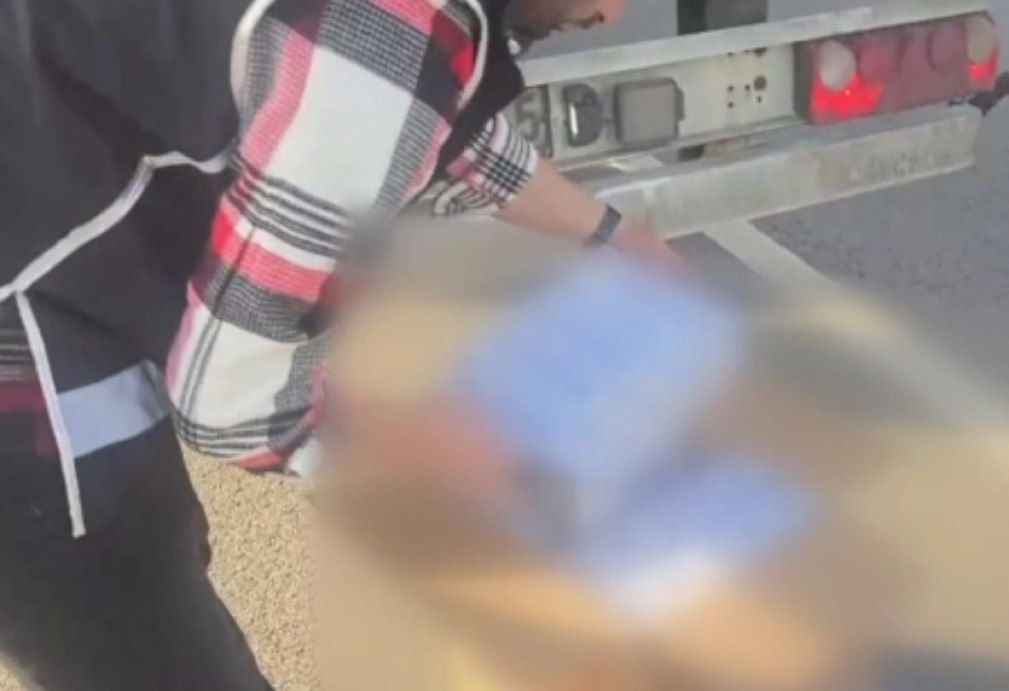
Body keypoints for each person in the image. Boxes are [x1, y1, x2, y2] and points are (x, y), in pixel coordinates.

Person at [0, 0, 672, 688]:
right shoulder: (384, 37)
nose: (612, 15)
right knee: (132, 619)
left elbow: (425, 116)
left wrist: (616, 235)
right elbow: (231, 401)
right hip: (19, 335)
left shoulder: (400, 39)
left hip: (46, 209)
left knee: (153, 542)